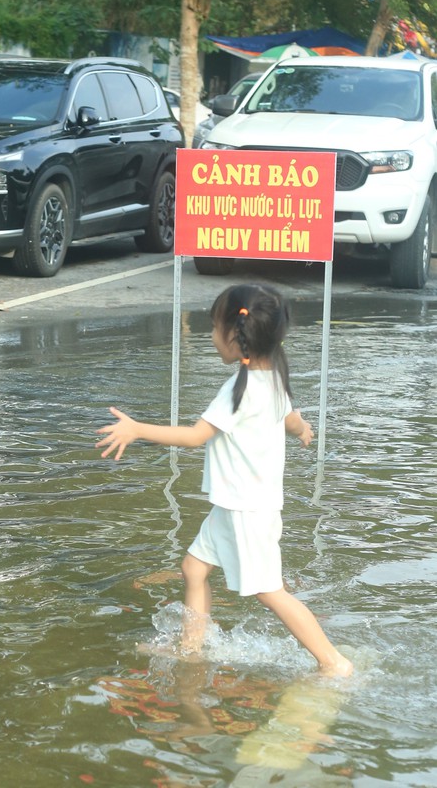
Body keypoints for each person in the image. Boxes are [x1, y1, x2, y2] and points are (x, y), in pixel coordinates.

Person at [96, 283, 353, 677]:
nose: (211, 335)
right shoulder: (273, 378)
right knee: (194, 569)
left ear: (236, 336)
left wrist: (137, 429)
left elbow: (196, 437)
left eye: (213, 327)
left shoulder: (238, 391)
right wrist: (303, 431)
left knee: (270, 592)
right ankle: (192, 648)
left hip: (247, 510)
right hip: (235, 506)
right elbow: (290, 417)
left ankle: (333, 662)